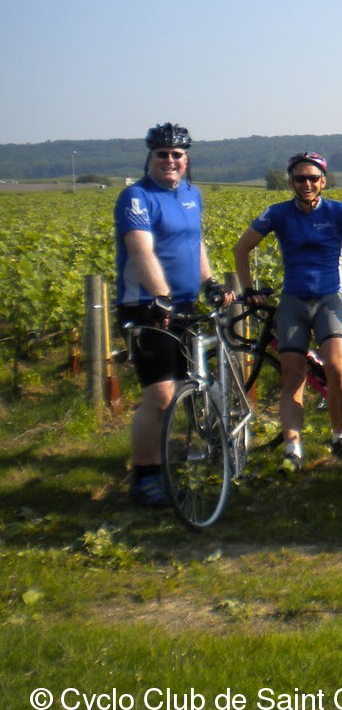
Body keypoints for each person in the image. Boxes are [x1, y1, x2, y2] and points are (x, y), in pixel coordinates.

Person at [233, 152, 342, 473]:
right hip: (293, 302)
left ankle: (340, 437)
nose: (306, 184)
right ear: (291, 182)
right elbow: (241, 248)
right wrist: (249, 289)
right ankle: (293, 449)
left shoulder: (339, 211)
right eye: (300, 178)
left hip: (329, 300)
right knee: (293, 378)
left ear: (323, 181)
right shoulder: (277, 214)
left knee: (336, 368)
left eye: (313, 178)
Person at [115, 123, 229, 507]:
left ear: (186, 158)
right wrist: (160, 296)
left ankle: (177, 454)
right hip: (146, 307)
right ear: (149, 157)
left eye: (177, 154)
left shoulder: (191, 194)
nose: (170, 160)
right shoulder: (136, 197)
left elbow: (195, 243)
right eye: (162, 154)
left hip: (185, 306)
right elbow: (140, 250)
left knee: (185, 387)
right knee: (159, 396)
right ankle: (145, 475)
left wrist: (210, 281)